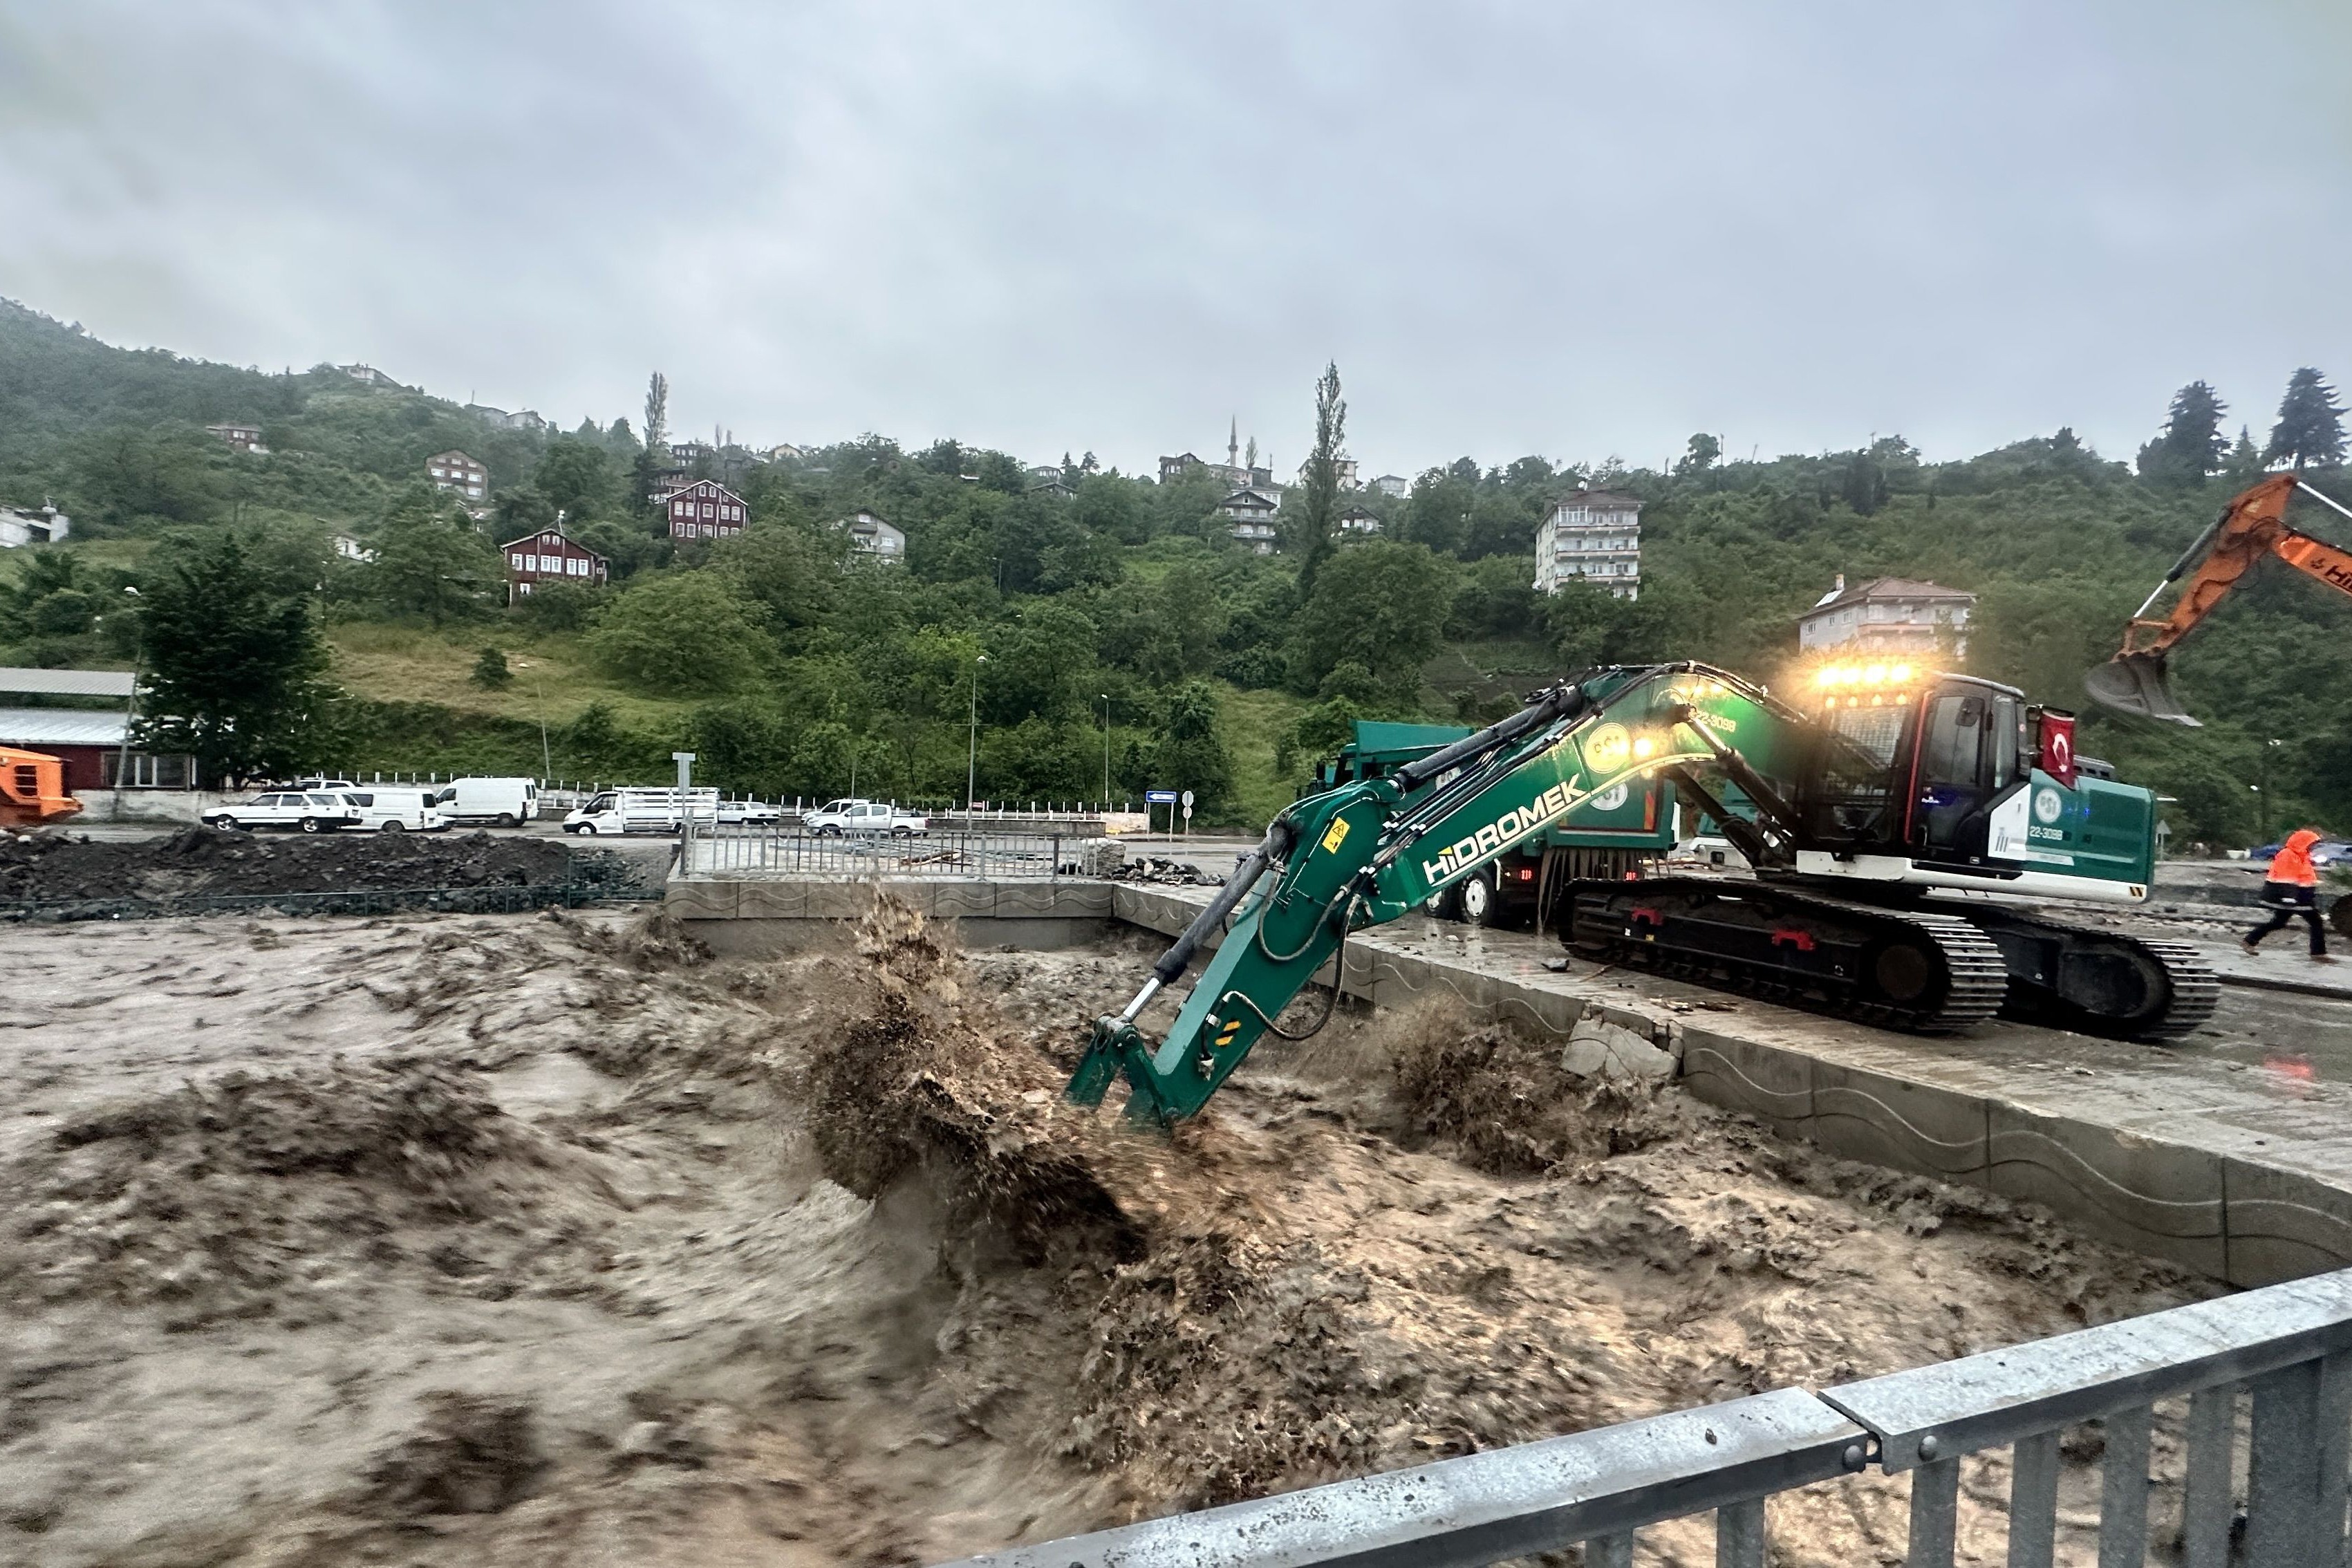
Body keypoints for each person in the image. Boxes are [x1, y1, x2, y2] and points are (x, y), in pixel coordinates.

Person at [2243, 827, 2335, 962]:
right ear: (2303, 842)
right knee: (2315, 922)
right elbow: (2285, 878)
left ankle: (2249, 941)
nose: (2313, 846)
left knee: (2279, 922)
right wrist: (2289, 898)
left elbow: (2302, 877)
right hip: (2293, 898)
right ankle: (2318, 953)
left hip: (2299, 897)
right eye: (2312, 843)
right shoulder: (2288, 855)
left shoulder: (2302, 855)